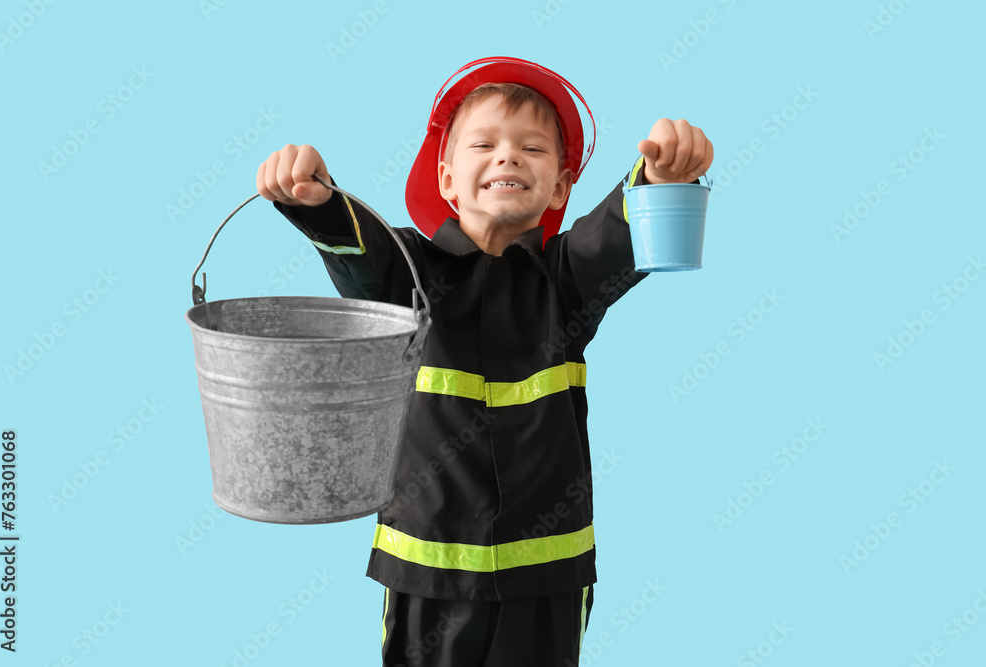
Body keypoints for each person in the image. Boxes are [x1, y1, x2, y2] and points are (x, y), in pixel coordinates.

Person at [255, 57, 713, 667]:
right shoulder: (408, 274)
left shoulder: (566, 280)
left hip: (545, 577)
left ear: (560, 188)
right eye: (484, 144)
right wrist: (319, 202)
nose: (508, 157)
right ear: (447, 179)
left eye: (532, 148)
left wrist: (658, 178)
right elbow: (362, 251)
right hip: (428, 574)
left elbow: (612, 235)